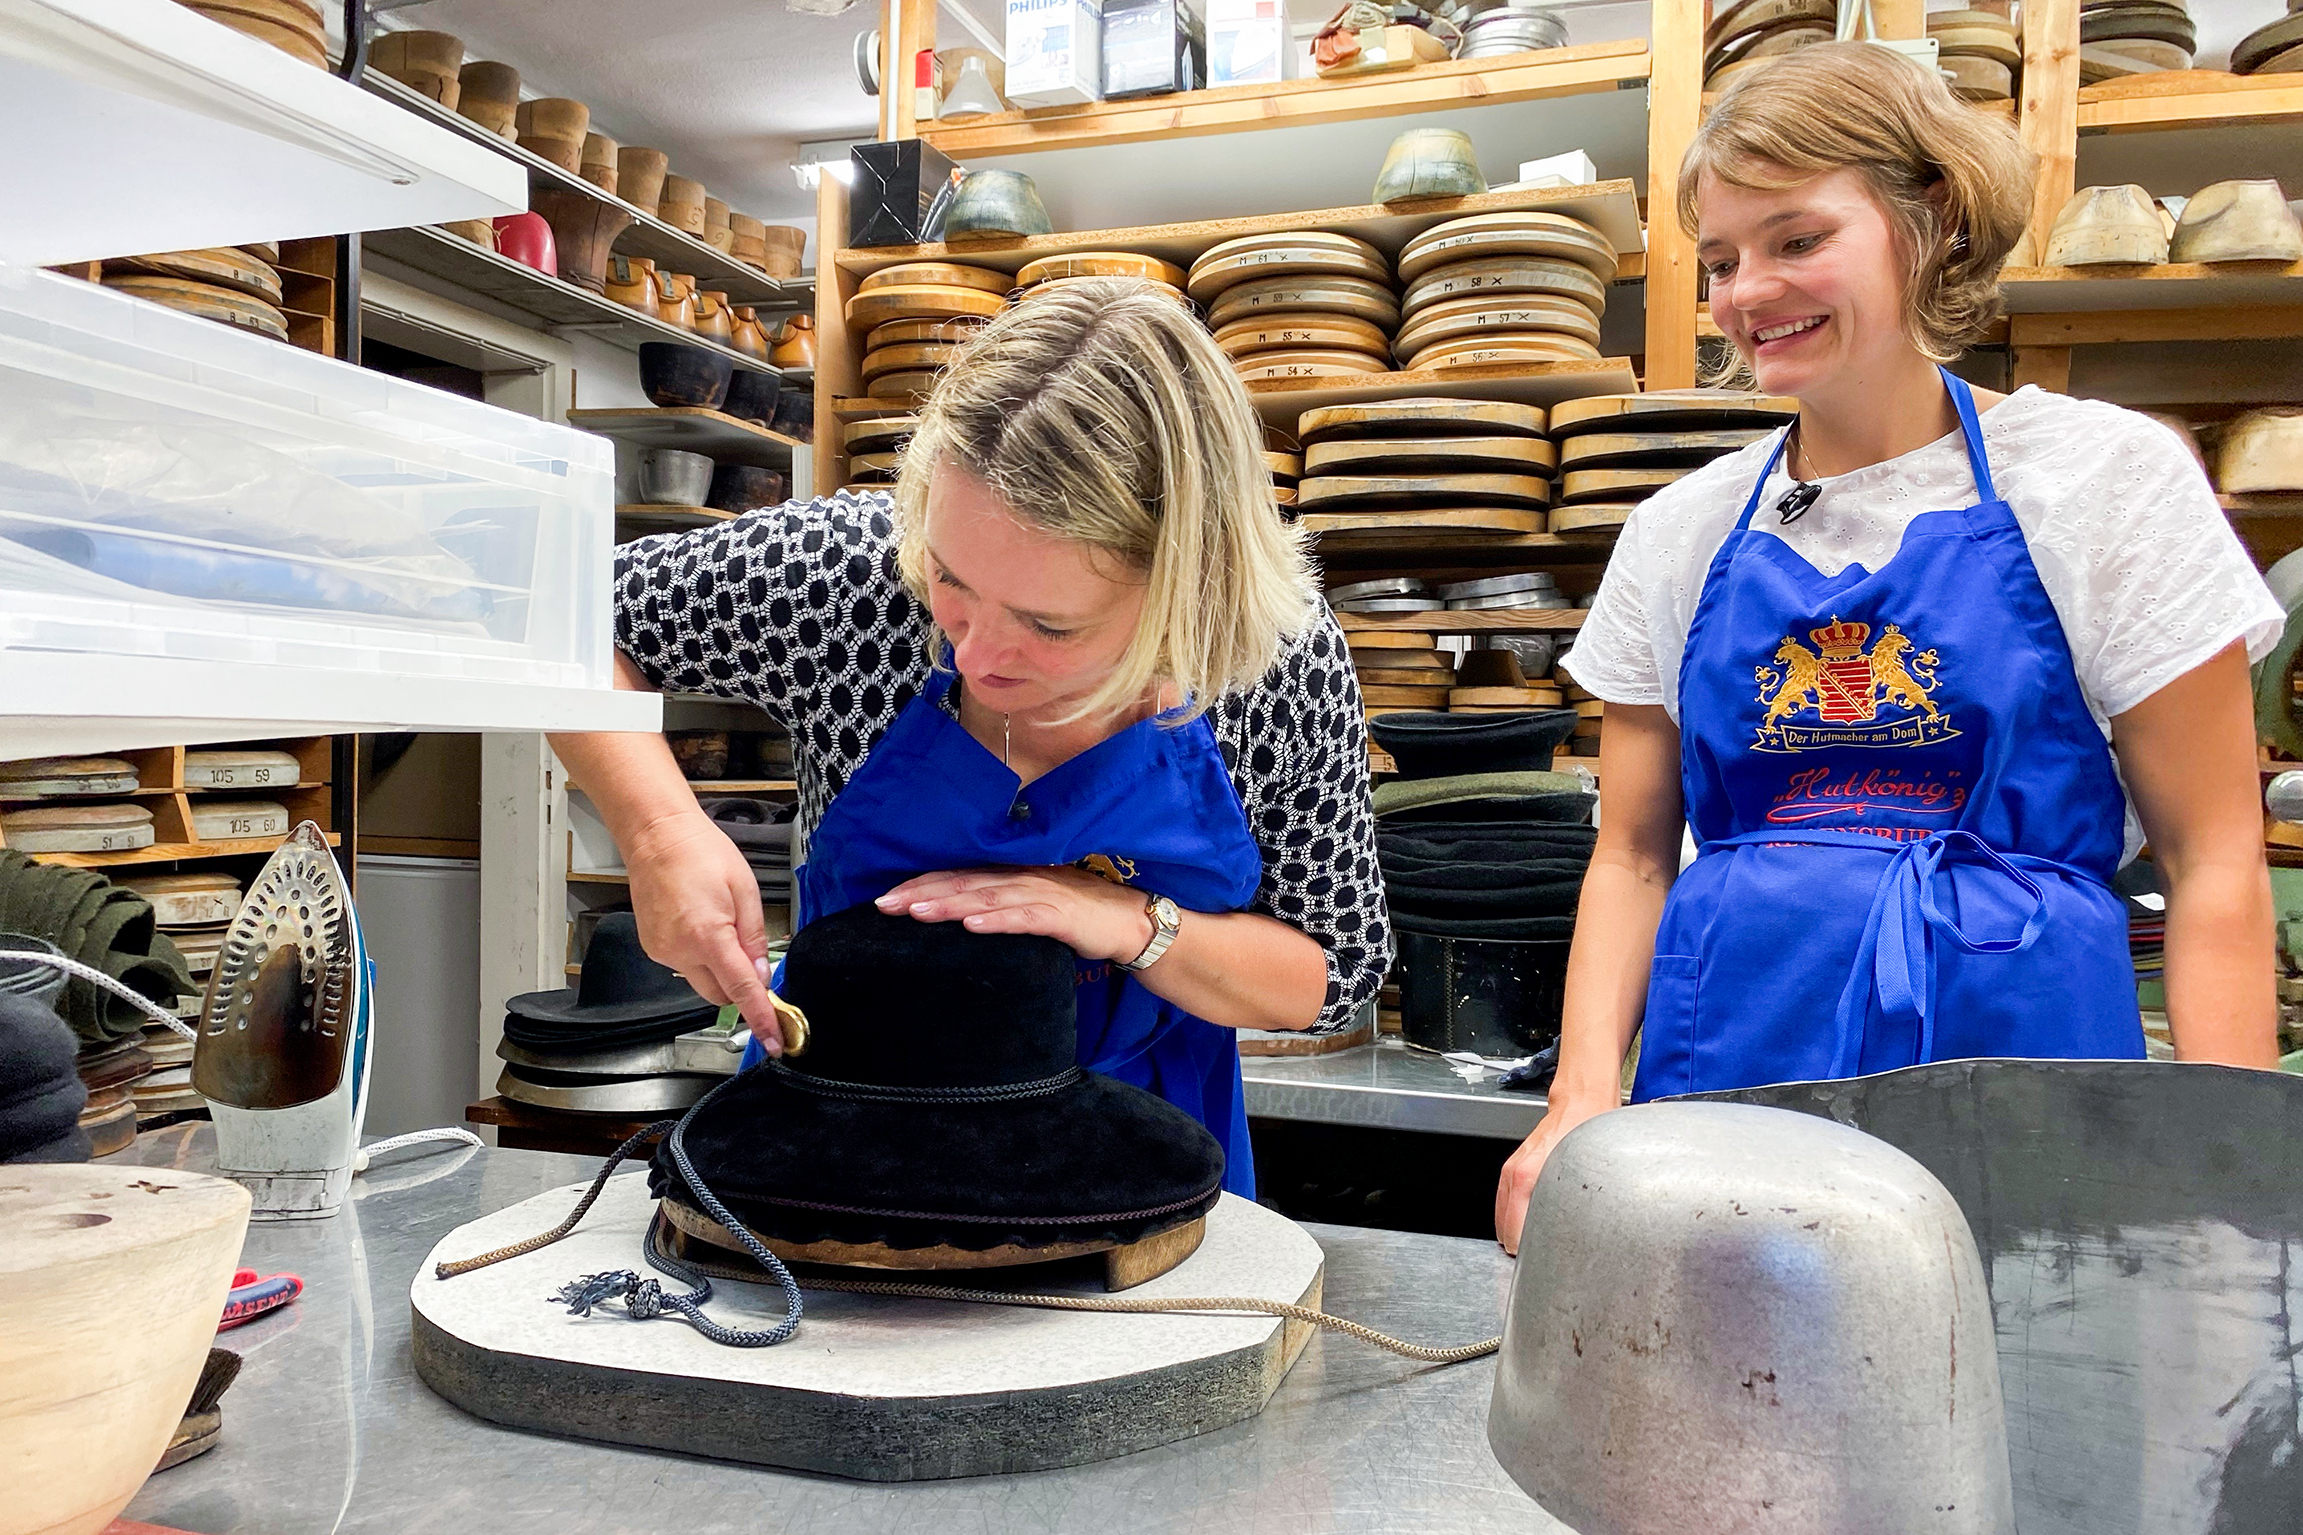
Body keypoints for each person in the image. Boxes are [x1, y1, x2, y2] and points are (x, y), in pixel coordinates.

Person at [1494, 42, 2284, 1251]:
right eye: (1718, 259)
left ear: (1934, 220)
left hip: (2017, 1062)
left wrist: (2223, 1175)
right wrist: (1577, 1102)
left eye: (1795, 239)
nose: (1747, 289)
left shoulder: (2095, 480)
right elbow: (1632, 858)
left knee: (2033, 1400)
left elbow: (2213, 859)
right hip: (1733, 1068)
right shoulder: (1678, 529)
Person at [552, 280, 1391, 1198]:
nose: (975, 651)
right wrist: (657, 829)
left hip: (1144, 1169)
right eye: (950, 579)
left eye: (1048, 624)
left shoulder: (1272, 663)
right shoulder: (847, 576)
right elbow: (564, 600)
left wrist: (1121, 922)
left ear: (1189, 587)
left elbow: (1328, 975)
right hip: (826, 1155)